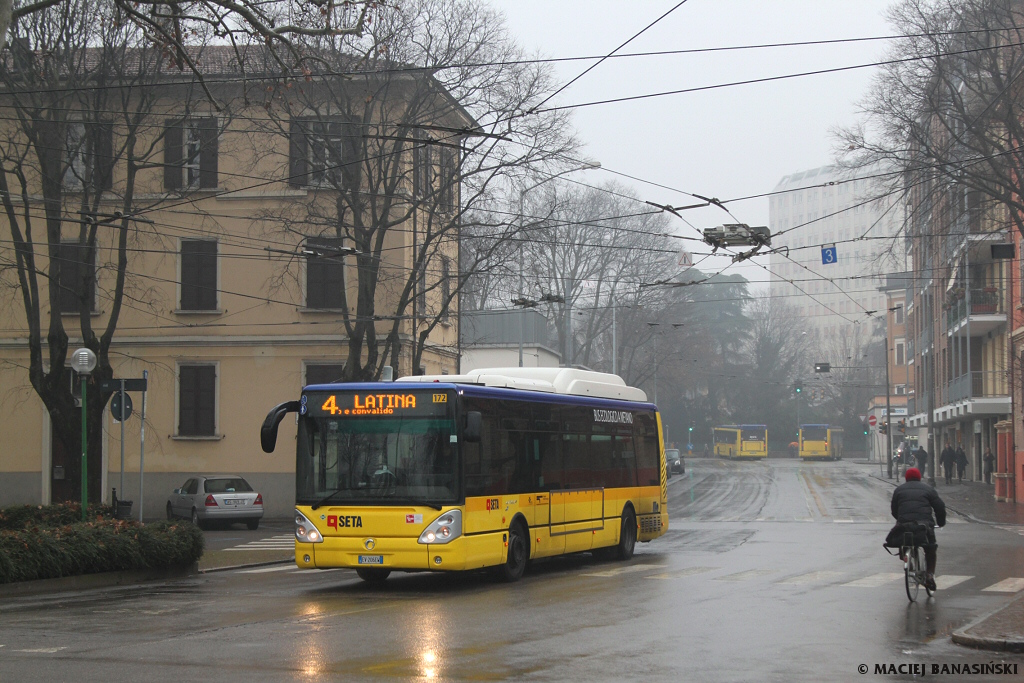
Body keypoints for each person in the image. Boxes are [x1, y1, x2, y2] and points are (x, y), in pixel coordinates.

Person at [889, 467, 946, 591]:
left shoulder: (899, 490)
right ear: (919, 478)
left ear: (906, 478)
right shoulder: (928, 489)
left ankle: (906, 558)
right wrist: (941, 522)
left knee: (903, 539)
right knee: (930, 548)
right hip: (924, 526)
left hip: (905, 525)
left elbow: (894, 510)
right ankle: (929, 575)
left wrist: (901, 518)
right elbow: (940, 507)